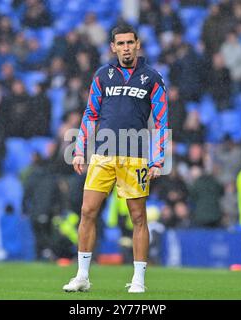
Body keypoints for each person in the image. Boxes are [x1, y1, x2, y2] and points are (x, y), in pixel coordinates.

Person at [63, 25, 168, 293]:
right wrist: (80, 149)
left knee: (138, 217)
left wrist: (157, 160)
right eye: (120, 43)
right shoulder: (102, 76)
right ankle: (82, 276)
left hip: (135, 156)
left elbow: (160, 121)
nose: (125, 47)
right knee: (87, 211)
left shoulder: (152, 78)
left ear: (138, 44)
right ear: (113, 47)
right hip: (102, 154)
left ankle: (139, 280)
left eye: (129, 43)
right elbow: (90, 114)